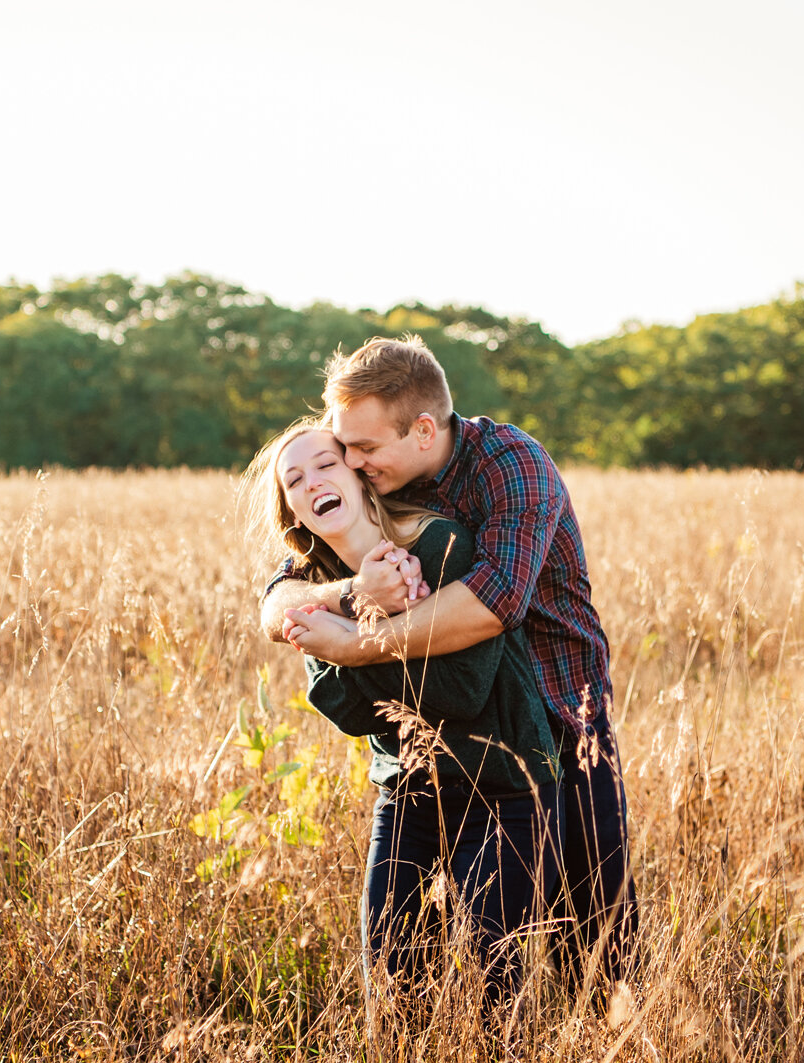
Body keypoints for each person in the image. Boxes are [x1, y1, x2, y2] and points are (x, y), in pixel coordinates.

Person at [263, 336, 638, 996]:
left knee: (595, 927)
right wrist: (343, 595)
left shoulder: (509, 464)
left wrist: (351, 643)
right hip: (430, 760)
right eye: (339, 447)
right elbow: (283, 594)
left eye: (362, 449)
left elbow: (491, 605)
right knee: (406, 952)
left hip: (558, 714)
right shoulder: (372, 493)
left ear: (424, 430)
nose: (348, 463)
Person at [247, 417, 558, 1019]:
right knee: (392, 988)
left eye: (326, 465)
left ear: (361, 477)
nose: (313, 483)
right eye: (294, 480)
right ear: (292, 512)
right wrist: (357, 606)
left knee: (496, 995)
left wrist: (349, 640)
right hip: (406, 790)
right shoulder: (313, 584)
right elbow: (344, 709)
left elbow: (462, 688)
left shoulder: (441, 544)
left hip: (504, 786)